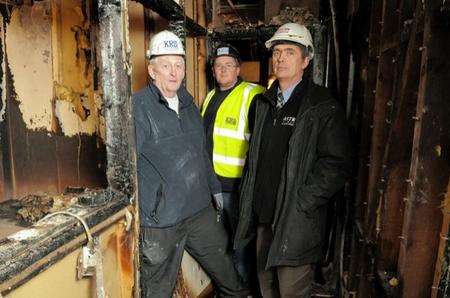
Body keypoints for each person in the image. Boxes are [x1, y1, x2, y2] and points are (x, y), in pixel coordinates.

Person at [234, 23, 352, 297]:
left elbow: (336, 164)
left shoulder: (321, 106)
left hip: (295, 223)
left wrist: (302, 201)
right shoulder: (262, 103)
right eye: (277, 52)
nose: (281, 58)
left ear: (306, 60)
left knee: (291, 292)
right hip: (263, 218)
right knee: (266, 289)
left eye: (290, 52)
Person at [133, 30, 247, 298]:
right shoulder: (138, 107)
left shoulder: (188, 103)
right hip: (161, 222)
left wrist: (214, 186)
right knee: (157, 291)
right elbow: (127, 167)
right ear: (152, 70)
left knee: (230, 278)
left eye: (179, 65)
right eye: (166, 65)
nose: (174, 72)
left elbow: (201, 152)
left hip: (199, 211)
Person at [201, 43, 264, 287]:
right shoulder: (210, 97)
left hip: (238, 188)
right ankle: (229, 288)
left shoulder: (252, 94)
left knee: (241, 244)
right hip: (212, 187)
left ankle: (243, 289)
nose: (223, 70)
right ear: (213, 71)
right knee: (220, 243)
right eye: (218, 66)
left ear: (238, 69)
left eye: (228, 65)